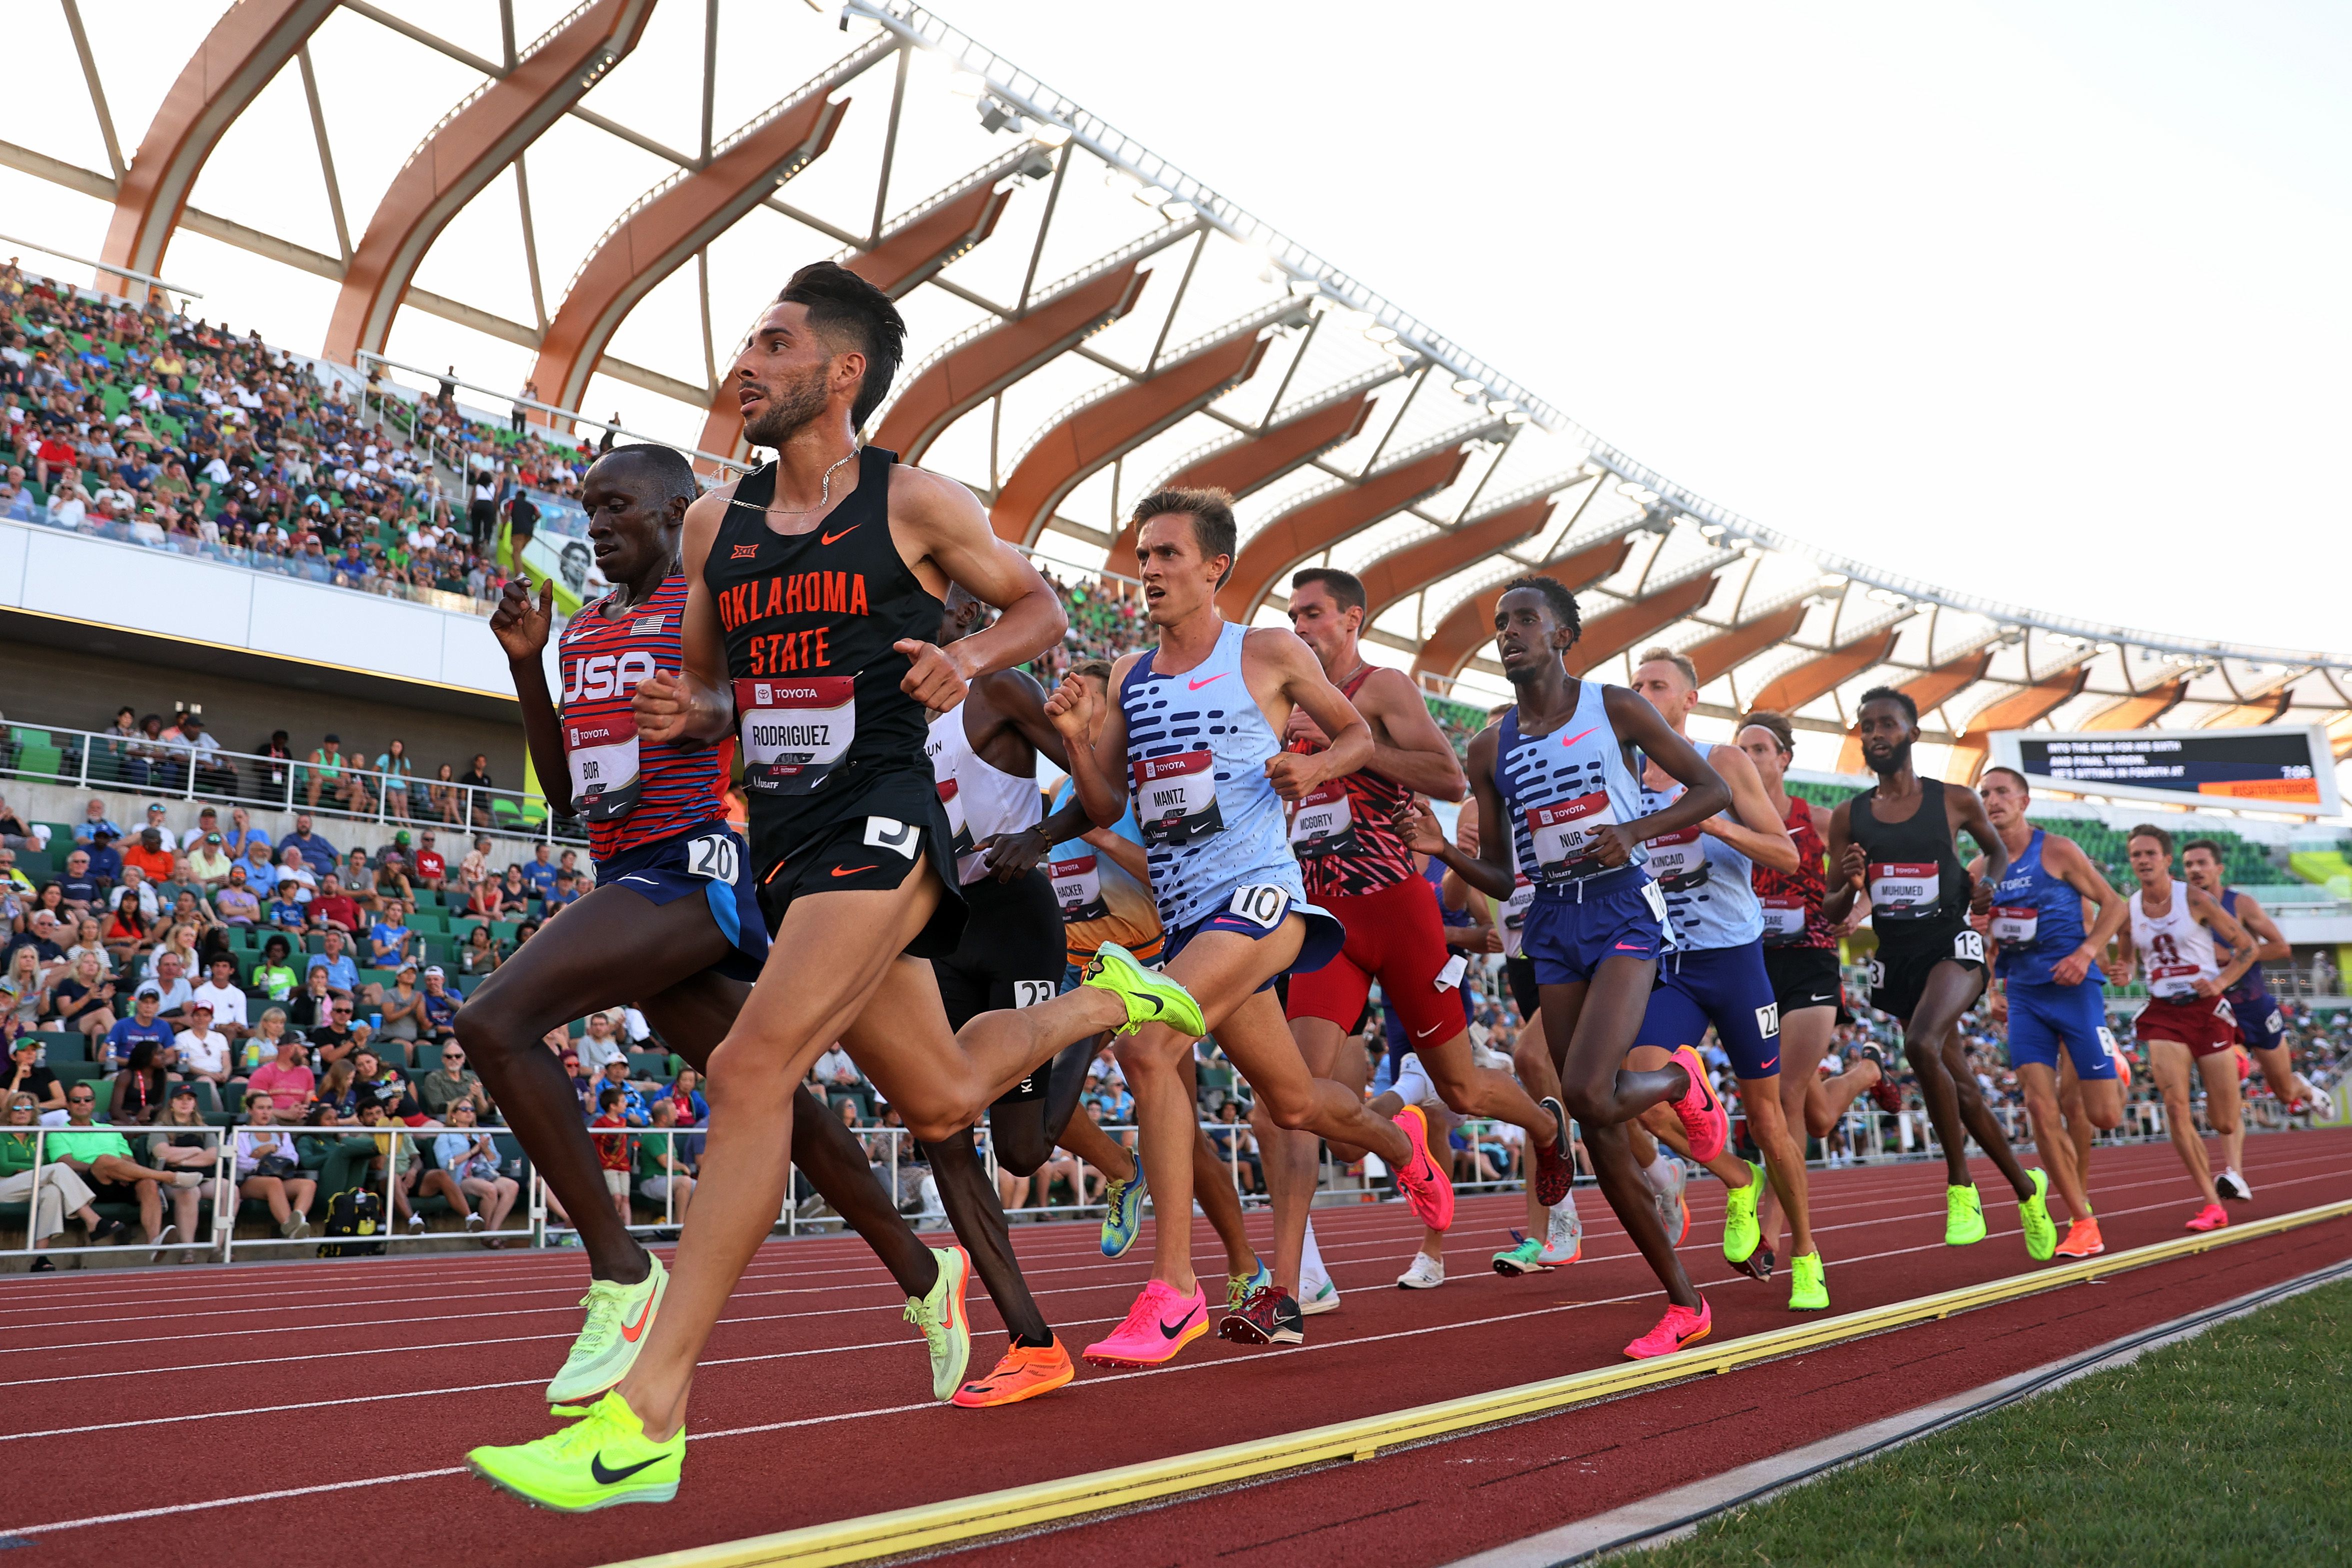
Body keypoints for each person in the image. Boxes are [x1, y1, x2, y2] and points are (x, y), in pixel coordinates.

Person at [467, 268, 1198, 1511]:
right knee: (946, 1089)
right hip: (789, 844)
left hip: (885, 820)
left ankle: (649, 1417)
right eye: (748, 341)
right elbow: (712, 691)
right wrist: (683, 708)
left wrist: (962, 652)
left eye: (772, 342)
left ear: (839, 372)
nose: (743, 364)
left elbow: (1038, 604)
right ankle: (1107, 999)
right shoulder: (716, 529)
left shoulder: (909, 501)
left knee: (752, 1068)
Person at [1048, 486, 1452, 1364]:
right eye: (1142, 555)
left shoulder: (1264, 652)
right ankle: (1399, 1140)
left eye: (1165, 555)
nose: (1147, 570)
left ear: (1213, 567)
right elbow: (1109, 798)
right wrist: (1081, 739)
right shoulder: (1127, 674)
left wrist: (1313, 773)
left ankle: (1173, 1290)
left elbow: (1352, 738)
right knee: (1295, 1100)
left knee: (1149, 1047)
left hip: (1263, 898)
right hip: (1186, 920)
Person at [1406, 576, 1735, 1359]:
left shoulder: (1613, 707)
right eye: (1499, 624)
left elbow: (1710, 787)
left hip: (1622, 906)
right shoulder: (1489, 748)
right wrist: (1443, 850)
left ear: (1562, 635)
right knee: (1591, 1117)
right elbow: (1502, 875)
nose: (1508, 633)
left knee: (1589, 1090)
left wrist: (1634, 832)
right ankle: (1682, 1305)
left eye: (1526, 620)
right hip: (1552, 921)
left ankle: (1681, 1084)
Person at [1257, 565, 1568, 1344]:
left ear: (1353, 619)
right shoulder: (1282, 700)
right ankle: (1288, 1292)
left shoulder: (1381, 684)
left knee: (1460, 1091)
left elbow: (1445, 774)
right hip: (1322, 918)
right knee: (1290, 1097)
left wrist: (1347, 754)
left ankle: (1544, 1128)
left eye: (1315, 614)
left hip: (1398, 910)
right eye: (1292, 615)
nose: (1301, 627)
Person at [1601, 650, 1826, 1310]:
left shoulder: (1721, 763)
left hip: (1735, 962)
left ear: (1688, 700)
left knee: (1767, 1113)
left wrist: (1708, 819)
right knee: (1629, 1091)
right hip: (1669, 963)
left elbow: (1784, 853)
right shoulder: (1622, 773)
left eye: (1656, 685)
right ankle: (1735, 1176)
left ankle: (1806, 1253)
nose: (1642, 694)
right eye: (1635, 685)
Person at [1822, 688, 2055, 1260]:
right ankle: (2028, 1192)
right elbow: (1827, 912)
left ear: (1912, 734)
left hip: (1952, 944)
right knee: (1966, 1091)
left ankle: (1960, 1187)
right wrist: (1848, 882)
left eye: (1887, 725)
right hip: (1899, 959)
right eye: (1866, 727)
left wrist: (1989, 886)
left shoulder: (1952, 800)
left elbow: (1995, 855)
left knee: (1919, 1043)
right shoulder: (1849, 816)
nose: (1875, 734)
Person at [1731, 712, 1900, 1276]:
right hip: (1749, 968)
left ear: (1783, 759)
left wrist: (1858, 910)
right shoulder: (1725, 821)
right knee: (1817, 1116)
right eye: (1742, 749)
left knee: (1781, 1096)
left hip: (1809, 966)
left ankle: (1772, 1231)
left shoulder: (1820, 820)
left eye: (1761, 748)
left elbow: (1881, 872)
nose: (1750, 757)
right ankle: (1865, 1074)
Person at [1971, 766, 2129, 1260]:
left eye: (2001, 792)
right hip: (2024, 997)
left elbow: (2114, 905)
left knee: (2102, 1115)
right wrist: (1992, 983)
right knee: (2040, 1108)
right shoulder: (1979, 870)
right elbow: (1989, 939)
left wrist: (2084, 954)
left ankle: (2113, 1061)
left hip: (2074, 989)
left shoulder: (2056, 850)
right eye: (1984, 794)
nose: (1992, 800)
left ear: (2023, 800)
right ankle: (2082, 1222)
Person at [2112, 824, 2256, 1232]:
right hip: (2163, 1013)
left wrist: (2219, 982)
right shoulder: (2129, 908)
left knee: (2225, 1122)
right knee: (2175, 1106)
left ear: (2166, 859)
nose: (2142, 861)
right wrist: (2123, 971)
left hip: (2207, 1009)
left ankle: (2235, 1058)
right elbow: (2128, 961)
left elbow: (2247, 948)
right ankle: (2211, 1205)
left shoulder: (2193, 898)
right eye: (2135, 855)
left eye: (2149, 854)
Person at [2181, 839, 2334, 1124]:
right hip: (2213, 1009)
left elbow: (2280, 947)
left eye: (2202, 863)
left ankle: (2304, 1088)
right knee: (2223, 1089)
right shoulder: (2180, 909)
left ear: (2219, 868)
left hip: (2252, 1006)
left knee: (2285, 1092)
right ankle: (2233, 1166)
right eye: (2189, 864)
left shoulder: (2239, 904)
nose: (2195, 869)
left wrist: (2230, 954)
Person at [48, 1082, 202, 1245]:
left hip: (120, 1179)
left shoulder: (109, 1129)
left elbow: (128, 1158)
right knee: (104, 1160)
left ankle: (154, 1241)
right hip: (86, 1184)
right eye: (76, 1100)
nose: (82, 1103)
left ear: (93, 1103)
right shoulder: (58, 1133)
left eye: (87, 1099)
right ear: (68, 1104)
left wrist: (121, 1170)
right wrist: (106, 1167)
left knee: (148, 1183)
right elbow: (64, 1162)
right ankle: (168, 1177)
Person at [4, 1092, 126, 1269]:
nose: (22, 1112)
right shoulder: (2, 1133)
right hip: (4, 1185)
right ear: (9, 1112)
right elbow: (4, 1166)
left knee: (52, 1191)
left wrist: (29, 1169)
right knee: (60, 1168)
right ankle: (92, 1220)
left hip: (30, 1185)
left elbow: (46, 1163)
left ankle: (39, 1257)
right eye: (17, 1108)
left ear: (33, 1113)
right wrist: (33, 1169)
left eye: (28, 1108)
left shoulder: (38, 1136)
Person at [434, 1100, 518, 1239]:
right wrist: (472, 1152)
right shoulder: (446, 1134)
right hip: (461, 1178)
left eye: (472, 1110)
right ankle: (486, 1235)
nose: (470, 1113)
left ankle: (492, 1232)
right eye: (465, 1110)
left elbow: (496, 1162)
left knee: (512, 1186)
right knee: (490, 1189)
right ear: (454, 1114)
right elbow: (446, 1164)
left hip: (486, 1174)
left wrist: (485, 1150)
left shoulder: (481, 1133)